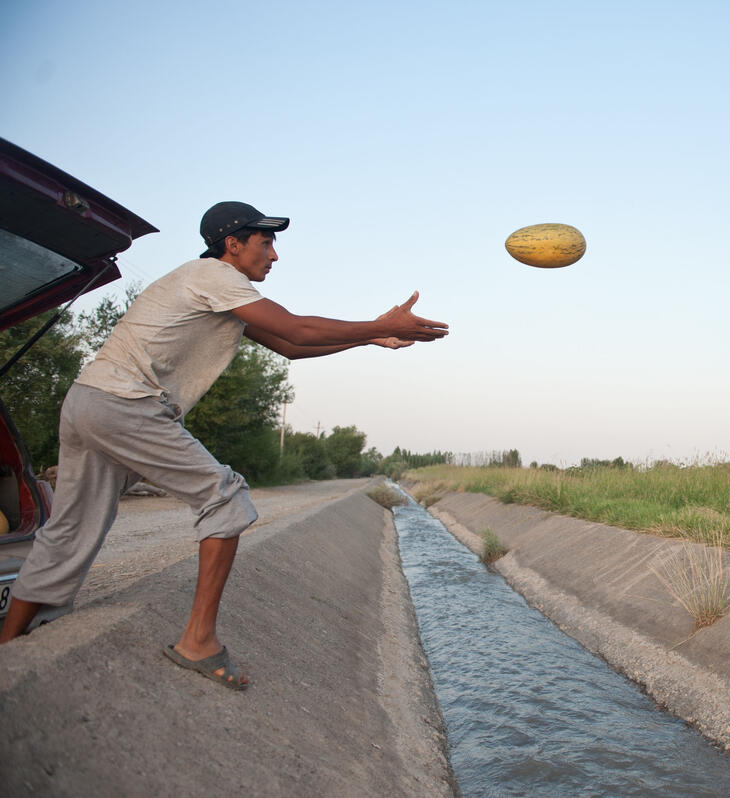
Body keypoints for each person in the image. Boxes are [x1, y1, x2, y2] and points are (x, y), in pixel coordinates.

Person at [0, 201, 449, 688]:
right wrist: (382, 325)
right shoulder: (215, 275)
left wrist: (368, 338)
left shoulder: (215, 291)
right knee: (225, 497)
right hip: (127, 404)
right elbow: (295, 327)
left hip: (90, 401)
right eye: (266, 242)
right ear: (232, 244)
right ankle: (198, 641)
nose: (273, 256)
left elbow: (290, 347)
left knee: (68, 530)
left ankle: (8, 649)